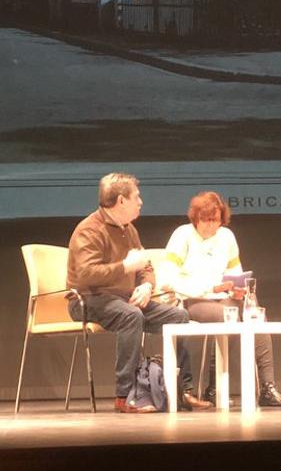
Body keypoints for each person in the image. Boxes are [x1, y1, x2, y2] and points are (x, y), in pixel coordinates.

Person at [66, 173, 213, 413]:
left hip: (123, 298)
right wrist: (125, 267)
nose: (141, 201)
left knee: (179, 317)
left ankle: (182, 391)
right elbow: (86, 275)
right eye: (137, 197)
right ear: (121, 201)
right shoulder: (89, 230)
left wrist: (146, 286)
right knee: (131, 315)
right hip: (88, 299)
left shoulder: (129, 230)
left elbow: (145, 266)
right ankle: (126, 396)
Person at [163, 191, 281, 407]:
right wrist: (210, 287)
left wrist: (237, 289)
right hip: (192, 300)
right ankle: (214, 388)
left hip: (224, 297)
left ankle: (267, 386)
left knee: (255, 314)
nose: (212, 226)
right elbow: (168, 279)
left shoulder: (227, 236)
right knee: (228, 317)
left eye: (216, 221)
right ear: (196, 218)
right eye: (207, 220)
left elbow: (235, 272)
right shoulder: (182, 235)